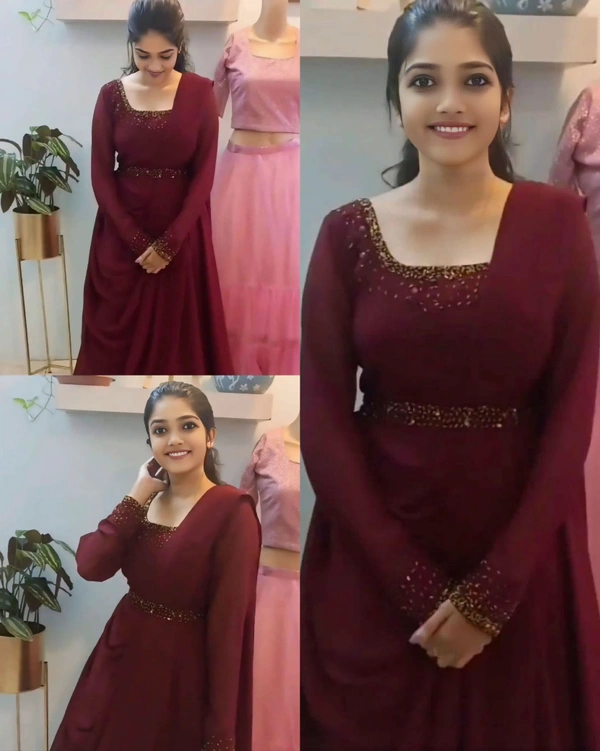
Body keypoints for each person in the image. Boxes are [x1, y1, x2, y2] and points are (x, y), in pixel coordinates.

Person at [300, 0, 600, 748]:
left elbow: (572, 413)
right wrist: (413, 586)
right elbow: (325, 424)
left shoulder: (558, 224)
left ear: (506, 99)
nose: (449, 102)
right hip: (374, 566)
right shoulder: (346, 235)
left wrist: (492, 595)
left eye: (474, 80)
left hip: (522, 562)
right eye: (424, 80)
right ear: (396, 98)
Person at [51, 381, 260, 751]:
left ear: (210, 435)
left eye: (188, 426)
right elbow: (90, 565)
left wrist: (221, 728)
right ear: (150, 444)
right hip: (117, 661)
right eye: (160, 430)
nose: (174, 439)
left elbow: (229, 627)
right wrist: (137, 493)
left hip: (178, 677)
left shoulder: (232, 511)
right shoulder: (143, 503)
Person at [74, 0, 233, 375]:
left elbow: (204, 175)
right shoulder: (110, 95)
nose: (156, 66)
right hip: (121, 237)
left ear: (180, 47)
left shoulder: (201, 93)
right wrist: (136, 241)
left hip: (181, 235)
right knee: (112, 347)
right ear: (131, 45)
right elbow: (101, 176)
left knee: (177, 346)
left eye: (166, 55)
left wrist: (168, 244)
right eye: (144, 55)